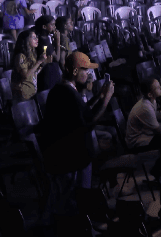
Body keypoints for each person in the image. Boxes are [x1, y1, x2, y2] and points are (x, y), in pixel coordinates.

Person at [39, 51, 116, 219]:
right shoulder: (66, 93)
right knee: (74, 202)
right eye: (85, 70)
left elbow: (84, 112)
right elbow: (88, 123)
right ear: (74, 72)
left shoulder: (67, 89)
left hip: (74, 156)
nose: (88, 74)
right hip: (70, 160)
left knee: (77, 200)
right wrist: (106, 99)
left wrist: (99, 96)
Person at [126, 75, 161, 175]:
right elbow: (160, 131)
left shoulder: (152, 101)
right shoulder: (145, 108)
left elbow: (157, 115)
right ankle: (158, 169)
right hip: (137, 141)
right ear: (150, 94)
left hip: (145, 134)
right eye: (157, 88)